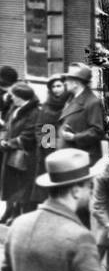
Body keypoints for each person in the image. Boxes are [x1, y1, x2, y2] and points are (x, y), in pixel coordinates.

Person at [1, 81, 38, 223]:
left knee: (20, 188)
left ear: (21, 97)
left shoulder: (33, 113)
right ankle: (10, 211)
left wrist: (8, 144)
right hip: (11, 154)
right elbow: (8, 127)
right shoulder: (15, 108)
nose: (11, 98)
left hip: (23, 156)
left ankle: (17, 215)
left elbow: (28, 136)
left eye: (13, 95)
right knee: (10, 186)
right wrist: (4, 139)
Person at [29, 77, 67, 207]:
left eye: (59, 86)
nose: (56, 90)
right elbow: (41, 125)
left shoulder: (70, 103)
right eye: (53, 87)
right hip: (48, 148)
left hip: (65, 147)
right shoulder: (47, 105)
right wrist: (47, 144)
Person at [57, 63, 105, 162]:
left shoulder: (92, 102)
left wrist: (75, 137)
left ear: (75, 83)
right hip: (70, 155)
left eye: (67, 80)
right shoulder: (71, 99)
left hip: (82, 157)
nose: (65, 83)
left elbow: (98, 131)